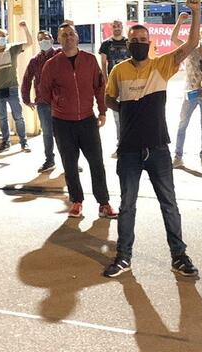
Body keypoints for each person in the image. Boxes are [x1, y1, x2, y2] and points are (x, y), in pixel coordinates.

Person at [101, 0, 202, 279]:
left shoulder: (162, 65)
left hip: (158, 147)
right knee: (127, 205)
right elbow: (109, 98)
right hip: (129, 150)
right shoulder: (117, 70)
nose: (138, 42)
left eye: (142, 38)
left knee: (169, 203)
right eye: (134, 39)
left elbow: (191, 44)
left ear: (149, 42)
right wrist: (127, 108)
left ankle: (179, 256)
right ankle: (124, 257)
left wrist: (195, 13)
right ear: (127, 43)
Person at [37, 21, 114, 218]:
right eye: (64, 35)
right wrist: (58, 103)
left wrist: (102, 111)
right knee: (69, 164)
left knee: (96, 163)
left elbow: (99, 86)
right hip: (62, 123)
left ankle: (104, 202)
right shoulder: (51, 64)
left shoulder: (89, 60)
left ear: (77, 37)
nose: (68, 38)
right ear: (58, 39)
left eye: (71, 34)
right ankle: (76, 201)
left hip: (87, 120)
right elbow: (43, 90)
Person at [171, 23, 202, 170]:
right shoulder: (189, 50)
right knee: (182, 125)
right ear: (200, 35)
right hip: (190, 93)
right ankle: (178, 156)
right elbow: (173, 38)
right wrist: (180, 21)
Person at [0, 19, 32, 152]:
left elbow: (29, 43)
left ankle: (23, 142)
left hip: (12, 88)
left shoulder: (12, 49)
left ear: (7, 36)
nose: (1, 37)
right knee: (2, 118)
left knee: (18, 116)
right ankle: (5, 142)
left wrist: (25, 28)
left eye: (3, 35)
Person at [21, 30, 60, 173]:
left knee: (63, 134)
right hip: (43, 103)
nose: (44, 41)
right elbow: (26, 79)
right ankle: (49, 160)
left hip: (60, 102)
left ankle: (70, 162)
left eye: (47, 38)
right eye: (41, 39)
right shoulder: (35, 61)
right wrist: (26, 99)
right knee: (48, 133)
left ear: (52, 39)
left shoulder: (59, 54)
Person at [98, 20, 132, 157]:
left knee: (131, 115)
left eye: (119, 26)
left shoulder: (129, 42)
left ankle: (132, 144)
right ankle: (121, 145)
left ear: (122, 28)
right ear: (111, 28)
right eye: (114, 26)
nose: (117, 28)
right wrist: (107, 82)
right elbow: (103, 64)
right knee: (118, 117)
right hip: (114, 86)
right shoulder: (106, 44)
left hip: (129, 84)